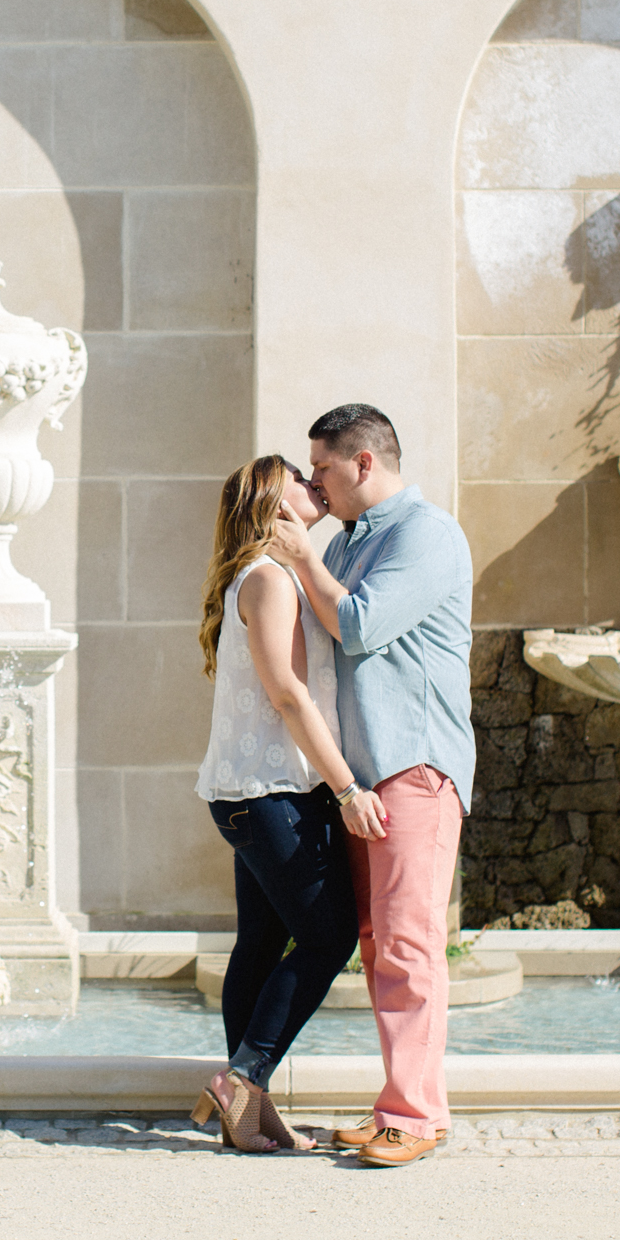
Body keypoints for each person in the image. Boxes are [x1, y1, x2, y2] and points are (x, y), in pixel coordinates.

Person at [269, 404, 476, 1168]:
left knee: (410, 941)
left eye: (320, 465)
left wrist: (300, 556)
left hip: (414, 766)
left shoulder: (425, 533)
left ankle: (414, 1113)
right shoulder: (355, 542)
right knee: (380, 942)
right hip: (366, 777)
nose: (313, 479)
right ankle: (407, 1103)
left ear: (362, 462)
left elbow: (357, 625)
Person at [190, 453, 389, 1155]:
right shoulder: (271, 580)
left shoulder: (270, 575)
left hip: (249, 792)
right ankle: (244, 1073)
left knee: (261, 943)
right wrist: (348, 788)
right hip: (271, 793)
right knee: (331, 936)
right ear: (274, 507)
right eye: (298, 482)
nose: (314, 486)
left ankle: (249, 1108)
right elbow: (288, 695)